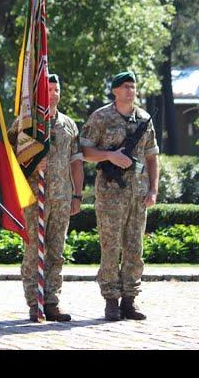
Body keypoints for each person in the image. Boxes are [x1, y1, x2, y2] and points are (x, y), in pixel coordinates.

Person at [80, 71, 159, 321]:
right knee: (111, 246)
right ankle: (111, 301)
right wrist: (109, 156)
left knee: (135, 247)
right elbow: (85, 152)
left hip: (138, 194)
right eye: (125, 86)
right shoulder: (101, 117)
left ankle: (130, 300)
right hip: (110, 194)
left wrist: (154, 189)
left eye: (133, 87)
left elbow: (152, 156)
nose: (130, 91)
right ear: (115, 90)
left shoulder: (144, 119)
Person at [7, 74, 84, 322]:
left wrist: (77, 194)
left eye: (56, 89)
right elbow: (8, 156)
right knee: (33, 250)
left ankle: (51, 300)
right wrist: (31, 158)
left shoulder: (69, 125)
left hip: (61, 196)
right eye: (47, 89)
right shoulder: (25, 123)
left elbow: (76, 162)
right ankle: (34, 301)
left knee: (56, 251)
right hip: (33, 196)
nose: (52, 94)